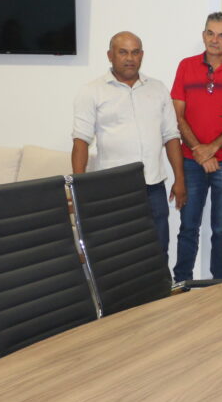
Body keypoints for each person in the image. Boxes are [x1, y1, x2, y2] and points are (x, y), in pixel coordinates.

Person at [72, 31, 185, 253]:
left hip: (153, 186)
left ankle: (157, 278)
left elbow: (171, 136)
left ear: (142, 55)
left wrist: (180, 179)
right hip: (113, 188)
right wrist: (78, 186)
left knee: (158, 248)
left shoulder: (158, 89)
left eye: (135, 52)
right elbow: (81, 141)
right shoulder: (92, 91)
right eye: (123, 52)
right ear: (110, 55)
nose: (130, 58)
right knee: (117, 251)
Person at [170, 12, 222, 282]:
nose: (215, 40)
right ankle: (181, 283)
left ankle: (221, 285)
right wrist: (200, 151)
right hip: (191, 160)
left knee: (221, 229)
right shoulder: (186, 66)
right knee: (188, 226)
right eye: (210, 33)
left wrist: (212, 149)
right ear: (203, 35)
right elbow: (177, 116)